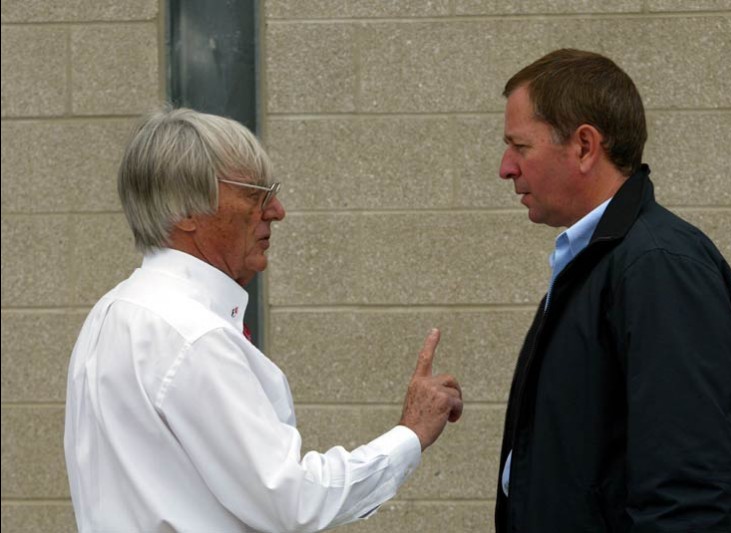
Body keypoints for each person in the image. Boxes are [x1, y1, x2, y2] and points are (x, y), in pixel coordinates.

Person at [64, 108, 463, 532]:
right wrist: (411, 433)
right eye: (256, 194)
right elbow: (293, 501)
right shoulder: (192, 336)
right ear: (186, 212)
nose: (276, 211)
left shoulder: (114, 312)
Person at [495, 49, 731, 532]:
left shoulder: (659, 267)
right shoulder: (597, 262)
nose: (505, 168)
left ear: (583, 146)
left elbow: (688, 494)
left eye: (520, 146)